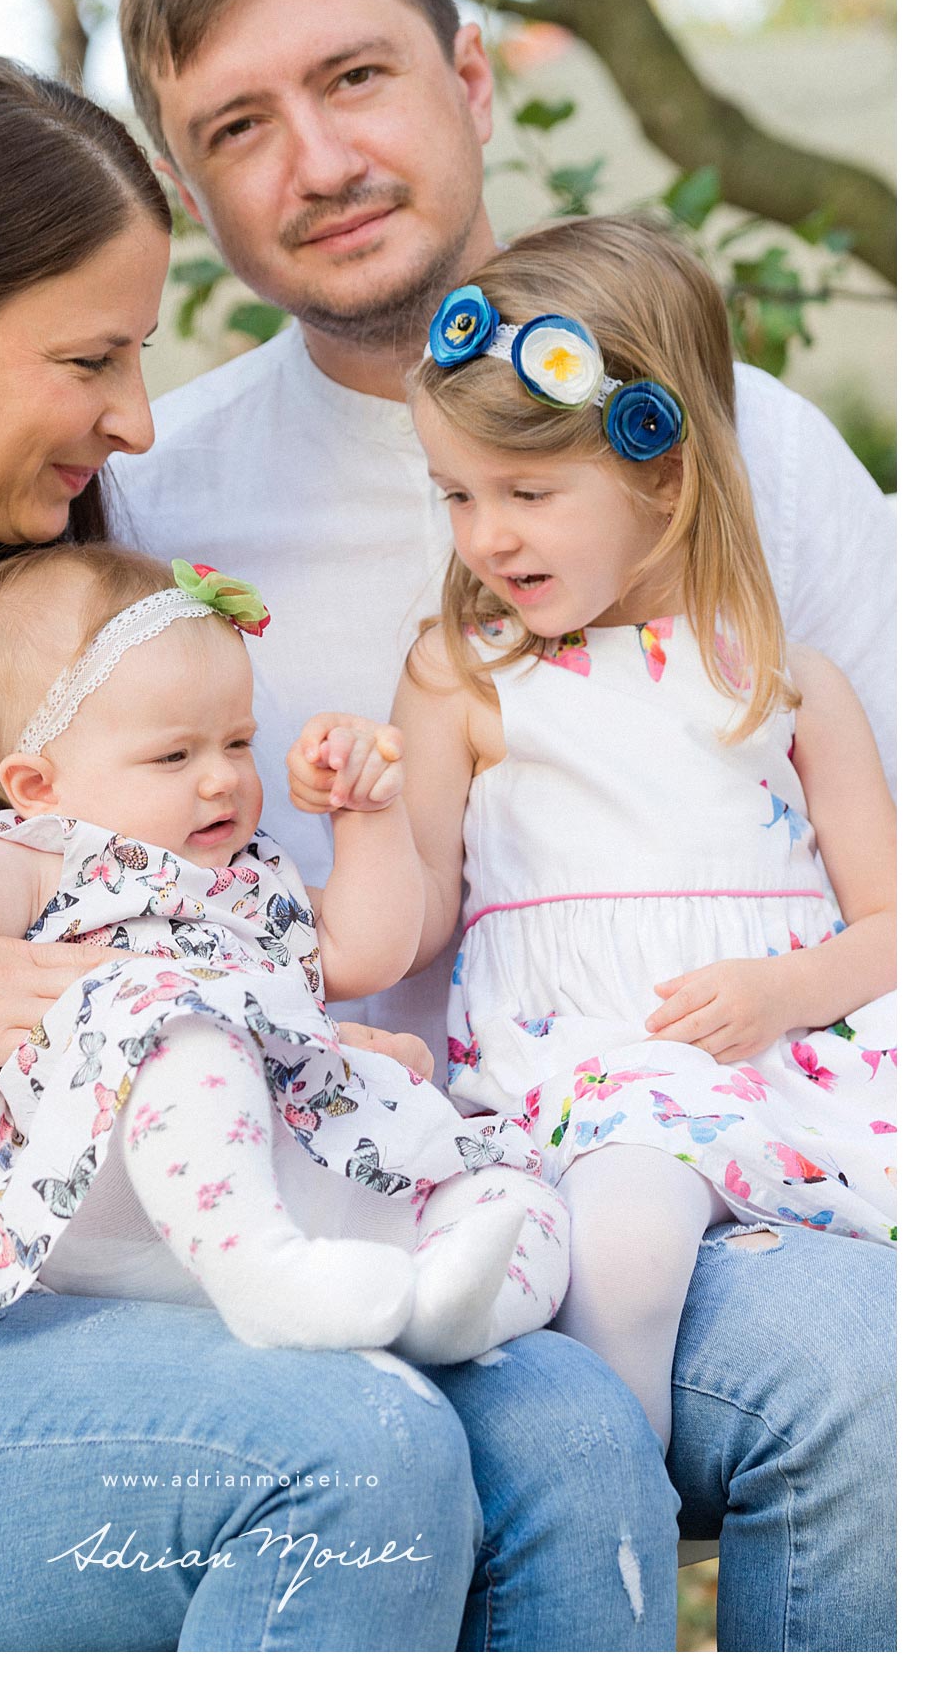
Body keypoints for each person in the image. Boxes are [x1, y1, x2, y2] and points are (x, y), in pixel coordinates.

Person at [0, 53, 675, 1653]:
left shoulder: (59, 628)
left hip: (97, 1313)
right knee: (345, 1453)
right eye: (89, 358)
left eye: (140, 355)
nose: (137, 418)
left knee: (570, 1425)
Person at [111, 0, 896, 1650]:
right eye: (239, 124)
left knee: (867, 1370)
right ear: (187, 187)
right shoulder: (152, 492)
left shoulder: (747, 448)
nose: (315, 161)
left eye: (357, 78)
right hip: (332, 1191)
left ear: (472, 81)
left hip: (726, 1148)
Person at [0, 545, 567, 1369]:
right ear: (38, 785)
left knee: (512, 1187)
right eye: (175, 756)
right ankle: (260, 1274)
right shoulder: (43, 859)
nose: (222, 781)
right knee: (185, 1019)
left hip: (295, 1154)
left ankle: (449, 1313)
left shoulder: (247, 875)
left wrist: (367, 819)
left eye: (237, 743)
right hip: (108, 1167)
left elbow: (365, 954)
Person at [386, 217, 894, 1450]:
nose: (485, 536)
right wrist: (359, 808)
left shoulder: (779, 682)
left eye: (527, 492)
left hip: (777, 1058)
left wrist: (790, 985)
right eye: (456, 494)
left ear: (663, 470)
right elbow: (413, 918)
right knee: (618, 1233)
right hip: (585, 1071)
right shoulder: (467, 677)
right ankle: (618, 1489)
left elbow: (895, 918)